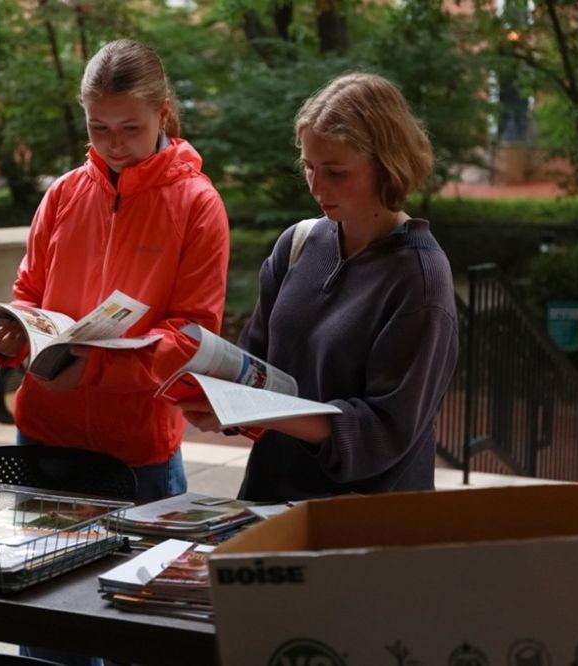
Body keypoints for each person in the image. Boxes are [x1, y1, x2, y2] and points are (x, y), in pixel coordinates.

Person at [182, 72, 458, 502]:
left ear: (389, 166)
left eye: (336, 172)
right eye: (309, 166)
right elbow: (257, 364)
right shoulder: (299, 243)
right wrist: (219, 400)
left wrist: (273, 412)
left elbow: (382, 432)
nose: (316, 185)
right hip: (268, 502)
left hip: (362, 530)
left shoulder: (419, 280)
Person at [0, 39, 230, 505]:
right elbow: (29, 291)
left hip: (138, 450)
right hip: (44, 432)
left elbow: (191, 337)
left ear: (162, 115)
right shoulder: (63, 193)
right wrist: (14, 330)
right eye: (98, 128)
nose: (114, 145)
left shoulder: (197, 204)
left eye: (130, 128)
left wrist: (95, 369)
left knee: (135, 577)